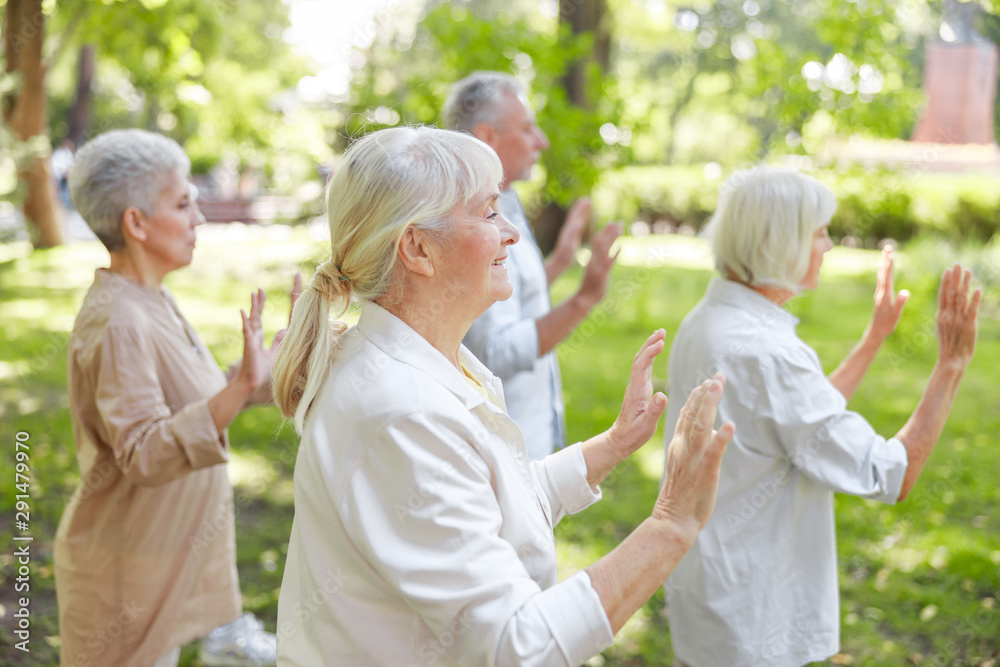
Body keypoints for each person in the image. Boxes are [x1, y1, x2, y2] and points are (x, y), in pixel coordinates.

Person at [271, 126, 734, 666]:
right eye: (490, 212)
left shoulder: (430, 360)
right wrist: (670, 525)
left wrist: (611, 445)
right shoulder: (404, 412)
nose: (511, 232)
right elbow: (516, 646)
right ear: (418, 248)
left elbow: (487, 502)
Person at [662, 166, 981, 667]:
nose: (829, 245)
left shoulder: (710, 320)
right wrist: (951, 366)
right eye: (819, 233)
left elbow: (796, 424)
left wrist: (873, 339)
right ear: (777, 242)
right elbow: (890, 473)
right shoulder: (765, 352)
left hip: (711, 596)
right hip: (750, 617)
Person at [54, 129, 291, 667]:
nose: (198, 218)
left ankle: (224, 638)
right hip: (121, 577)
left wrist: (269, 376)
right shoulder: (119, 320)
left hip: (166, 556)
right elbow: (143, 451)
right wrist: (236, 389)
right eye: (183, 203)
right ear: (135, 223)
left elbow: (197, 405)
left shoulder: (150, 298)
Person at [444, 71, 622, 460]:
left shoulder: (504, 199)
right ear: (488, 137)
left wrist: (557, 262)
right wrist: (585, 299)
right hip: (506, 453)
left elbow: (509, 288)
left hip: (530, 436)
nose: (541, 141)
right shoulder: (469, 218)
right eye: (527, 129)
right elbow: (495, 352)